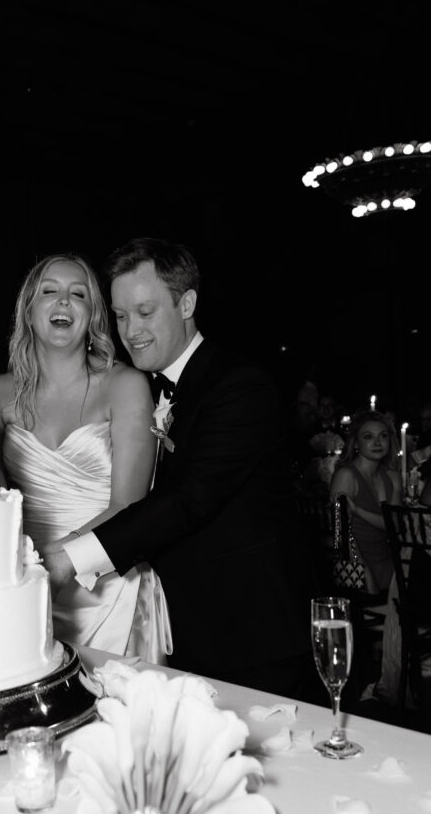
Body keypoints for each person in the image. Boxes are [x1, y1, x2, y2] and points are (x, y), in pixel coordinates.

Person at [42, 237, 319, 699]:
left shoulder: (238, 385)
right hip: (191, 628)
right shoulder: (154, 390)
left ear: (186, 302)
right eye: (122, 315)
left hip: (255, 632)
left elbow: (189, 499)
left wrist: (71, 558)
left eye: (145, 312)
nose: (131, 331)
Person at [0, 253, 172, 662]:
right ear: (29, 313)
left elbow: (129, 505)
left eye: (78, 294)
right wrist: (23, 574)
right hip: (25, 588)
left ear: (93, 315)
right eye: (50, 291)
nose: (64, 301)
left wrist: (59, 560)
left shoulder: (125, 384)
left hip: (109, 590)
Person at [329, 409, 402, 597]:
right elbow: (342, 536)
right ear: (356, 443)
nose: (377, 443)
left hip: (386, 561)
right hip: (352, 563)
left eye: (383, 436)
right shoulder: (346, 476)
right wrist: (366, 576)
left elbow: (394, 527)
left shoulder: (392, 478)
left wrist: (359, 511)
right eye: (368, 437)